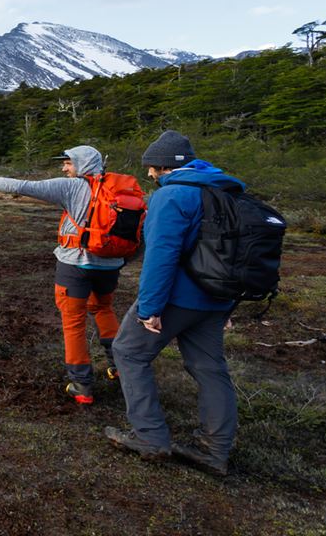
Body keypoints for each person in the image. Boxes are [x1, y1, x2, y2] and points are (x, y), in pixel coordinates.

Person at [0, 145, 125, 405]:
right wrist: (120, 261)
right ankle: (120, 368)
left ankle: (82, 386)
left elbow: (20, 186)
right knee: (104, 310)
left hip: (75, 265)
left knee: (73, 322)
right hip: (110, 266)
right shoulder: (123, 190)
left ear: (83, 164)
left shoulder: (71, 188)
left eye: (68, 163)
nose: (64, 168)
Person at [105, 130, 238, 476]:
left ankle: (150, 437)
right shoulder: (226, 193)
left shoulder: (173, 196)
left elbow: (162, 256)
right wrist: (228, 305)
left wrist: (150, 308)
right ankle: (215, 450)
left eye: (152, 167)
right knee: (211, 369)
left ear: (165, 166)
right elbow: (238, 254)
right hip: (217, 298)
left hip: (178, 298)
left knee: (129, 352)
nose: (149, 174)